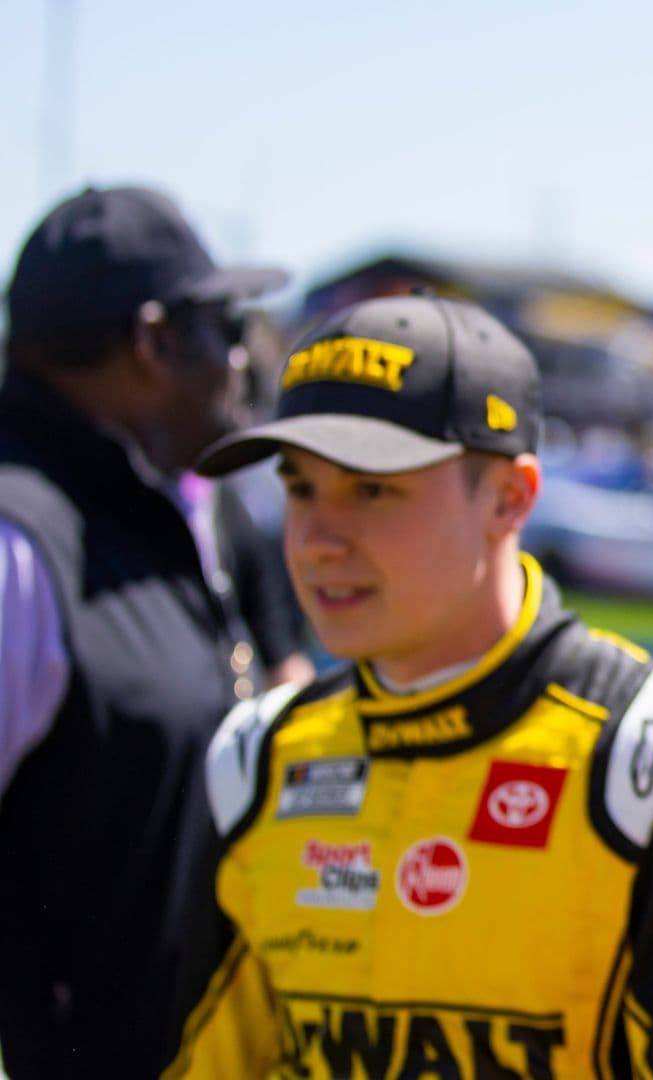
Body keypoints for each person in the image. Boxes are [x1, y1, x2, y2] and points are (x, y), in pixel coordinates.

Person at [165, 294, 653, 1078]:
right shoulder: (259, 759)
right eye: (299, 488)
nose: (318, 541)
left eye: (370, 490)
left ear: (509, 498)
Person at [0, 185, 289, 1078]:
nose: (239, 360)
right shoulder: (21, 541)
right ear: (154, 342)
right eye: (224, 328)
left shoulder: (168, 502)